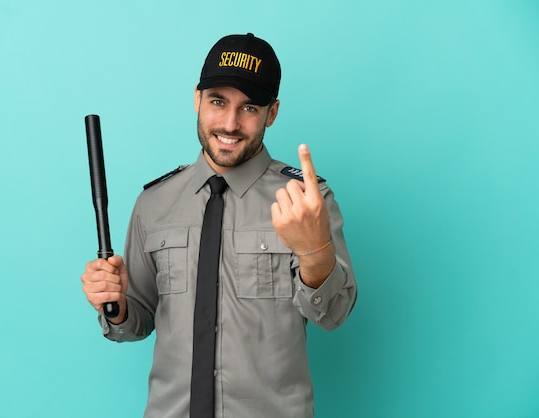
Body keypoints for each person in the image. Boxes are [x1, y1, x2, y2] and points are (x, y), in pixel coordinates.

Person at [81, 33, 357, 418]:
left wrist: (314, 252)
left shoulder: (306, 200)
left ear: (272, 113)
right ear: (197, 98)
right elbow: (137, 320)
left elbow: (335, 313)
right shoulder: (153, 203)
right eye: (217, 102)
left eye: (249, 108)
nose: (230, 123)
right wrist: (115, 306)